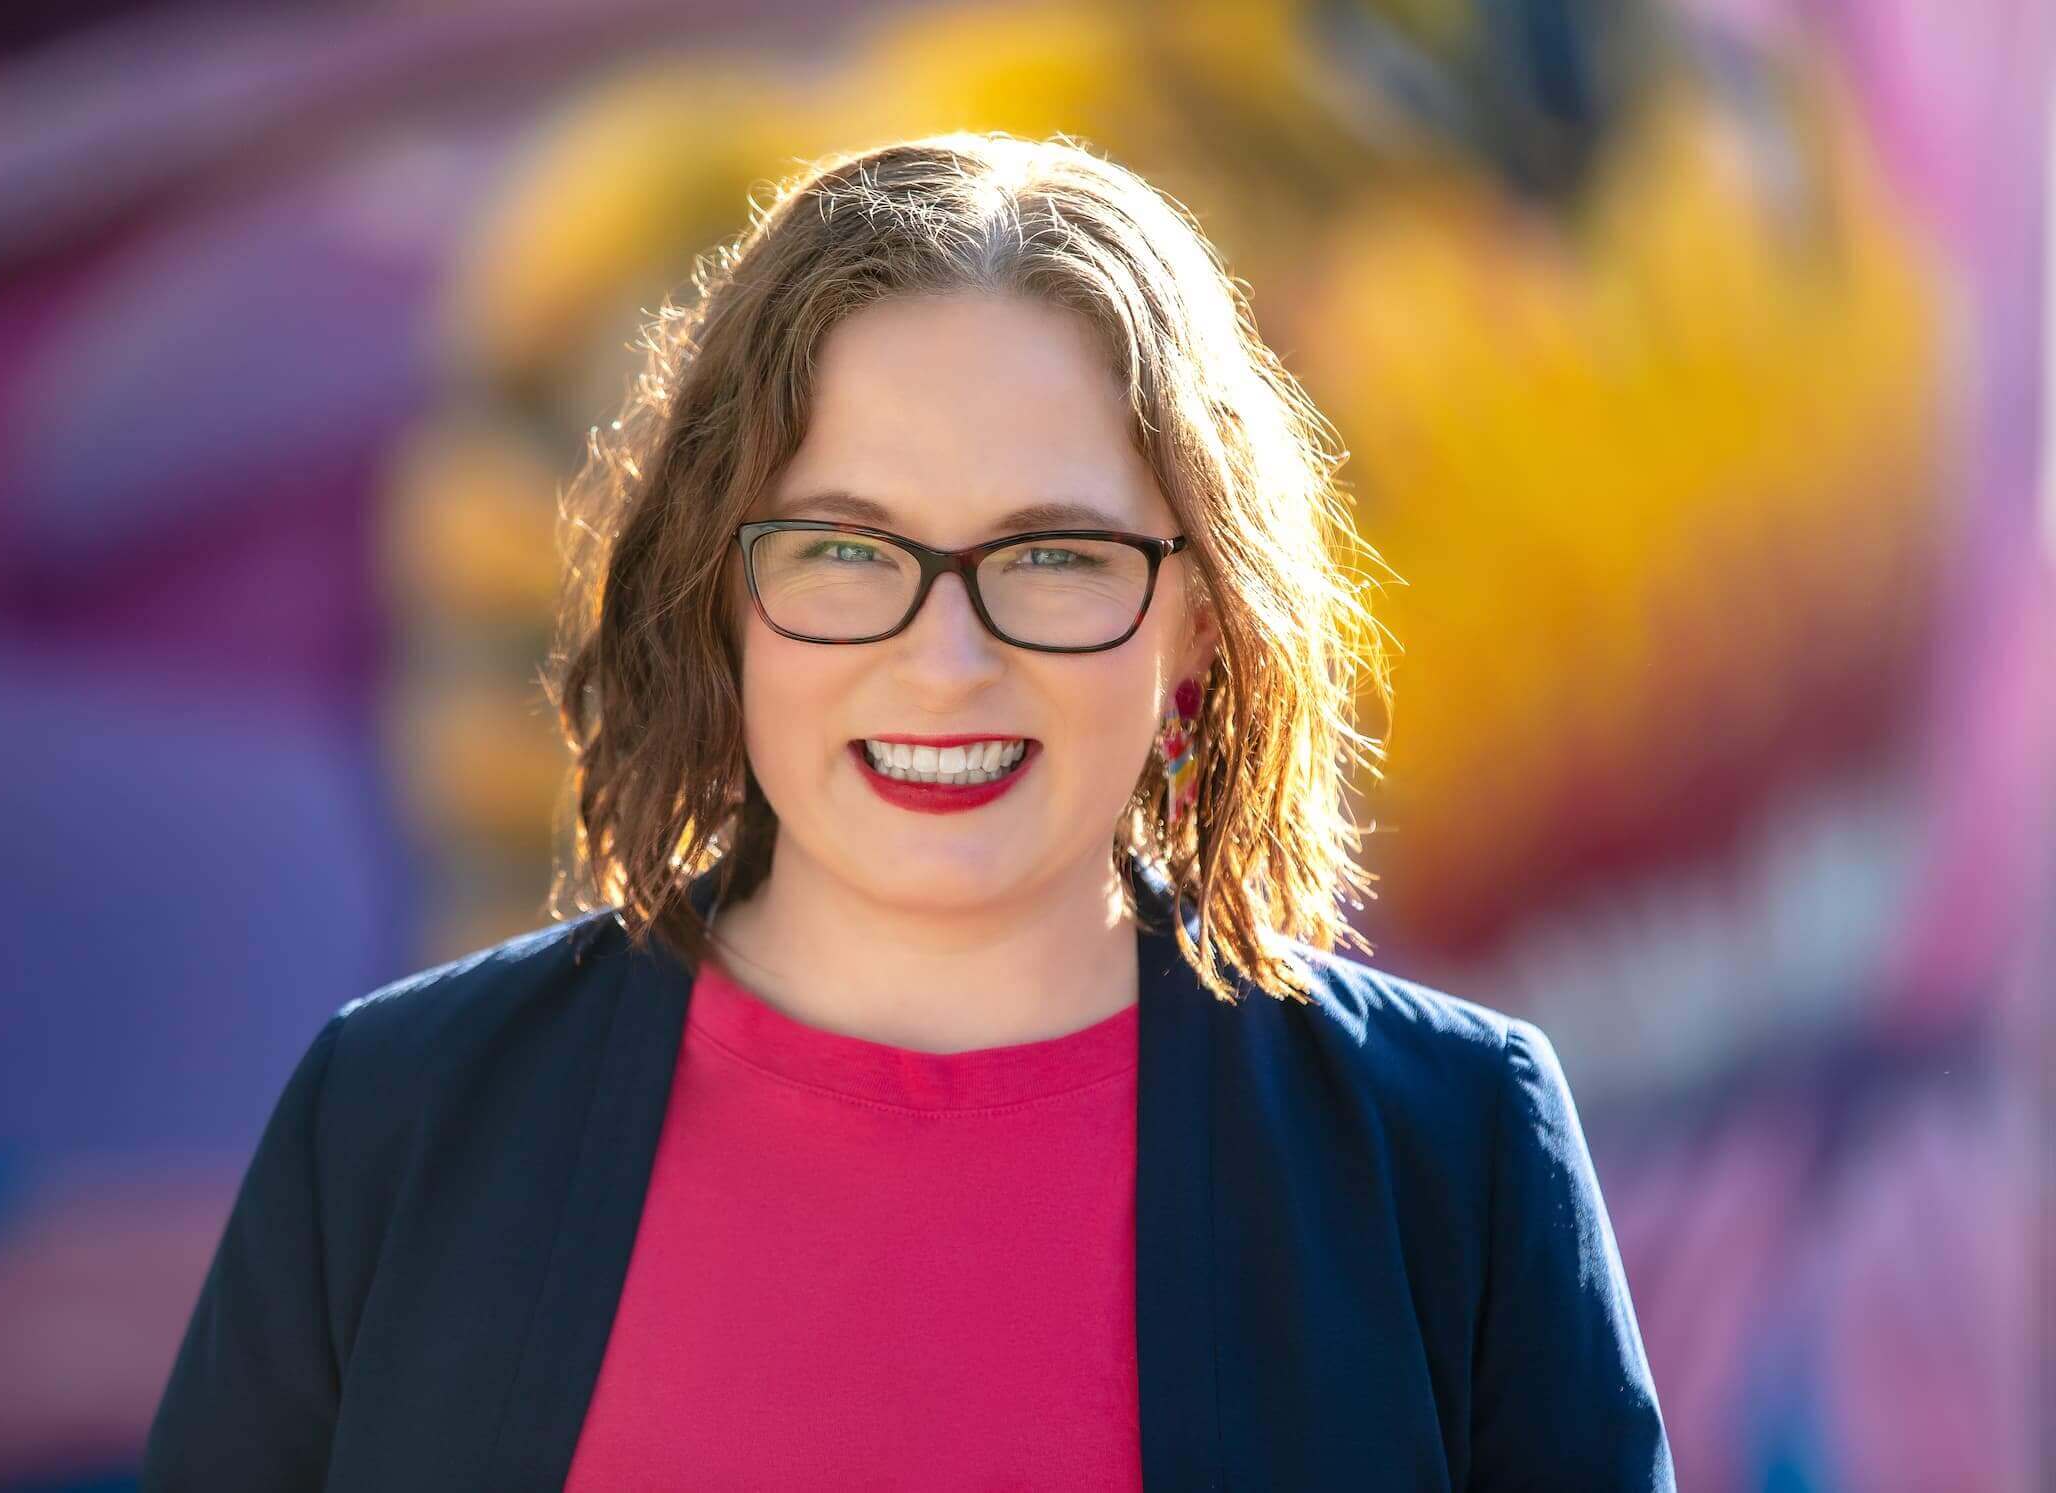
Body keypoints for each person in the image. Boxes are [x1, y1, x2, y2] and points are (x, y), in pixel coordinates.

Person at [144, 131, 1675, 1491]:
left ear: (1199, 615)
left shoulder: (1451, 1155)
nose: (946, 664)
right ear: (719, 593)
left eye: (1056, 556)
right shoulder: (397, 1119)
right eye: (846, 551)